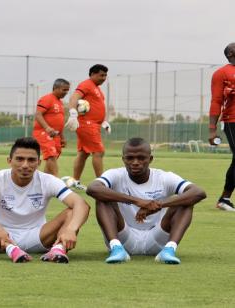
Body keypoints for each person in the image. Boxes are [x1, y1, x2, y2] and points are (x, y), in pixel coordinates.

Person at [0, 137, 90, 263]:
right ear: (9, 161)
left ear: (38, 163)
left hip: (37, 238)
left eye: (31, 160)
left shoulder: (48, 180)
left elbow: (81, 204)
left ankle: (58, 250)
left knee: (72, 212)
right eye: (20, 159)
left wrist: (71, 229)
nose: (25, 165)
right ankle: (11, 249)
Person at [86, 137, 206, 264]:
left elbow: (198, 192)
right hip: (124, 238)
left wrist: (159, 205)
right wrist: (137, 201)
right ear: (123, 159)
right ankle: (116, 249)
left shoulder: (164, 177)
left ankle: (169, 250)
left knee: (185, 201)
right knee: (102, 198)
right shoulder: (115, 174)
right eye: (130, 158)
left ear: (150, 159)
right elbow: (92, 188)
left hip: (157, 238)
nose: (135, 162)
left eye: (141, 158)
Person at [65, 64, 111, 190]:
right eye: (101, 75)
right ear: (92, 74)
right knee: (99, 152)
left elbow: (97, 107)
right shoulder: (86, 84)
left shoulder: (97, 89)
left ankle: (75, 181)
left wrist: (103, 122)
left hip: (94, 124)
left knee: (83, 153)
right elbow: (74, 97)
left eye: (105, 75)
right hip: (87, 124)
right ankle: (101, 185)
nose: (104, 78)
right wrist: (73, 113)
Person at [209, 42, 235, 211]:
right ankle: (224, 198)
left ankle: (224, 199)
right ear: (231, 53)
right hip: (233, 121)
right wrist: (212, 129)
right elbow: (216, 101)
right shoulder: (221, 73)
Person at [32, 78, 70, 176]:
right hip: (43, 133)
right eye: (64, 90)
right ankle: (58, 184)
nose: (66, 92)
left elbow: (59, 122)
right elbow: (38, 114)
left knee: (53, 157)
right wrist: (47, 128)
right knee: (51, 156)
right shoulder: (47, 99)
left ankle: (45, 183)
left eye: (67, 90)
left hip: (56, 135)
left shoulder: (60, 103)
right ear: (55, 88)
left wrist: (62, 137)